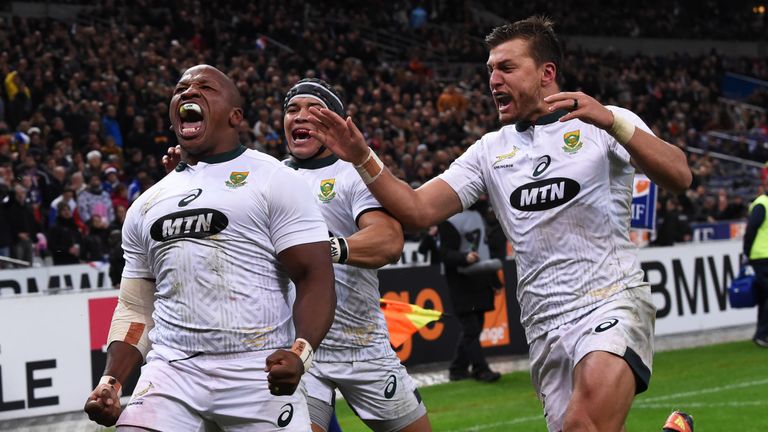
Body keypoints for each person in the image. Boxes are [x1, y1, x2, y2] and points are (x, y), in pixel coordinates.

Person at [306, 16, 693, 432]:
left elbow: (680, 176)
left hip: (611, 299)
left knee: (584, 425)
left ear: (547, 73)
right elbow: (417, 210)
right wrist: (363, 156)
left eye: (507, 67)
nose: (493, 79)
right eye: (490, 69)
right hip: (543, 322)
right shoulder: (490, 151)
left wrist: (614, 122)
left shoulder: (601, 122)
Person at [83, 64, 337, 431]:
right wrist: (112, 382)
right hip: (171, 371)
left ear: (235, 117)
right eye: (181, 88)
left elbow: (315, 275)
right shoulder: (146, 204)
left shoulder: (275, 179)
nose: (188, 92)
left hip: (258, 369)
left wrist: (301, 352)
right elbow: (136, 306)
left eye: (205, 87)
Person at [282, 78, 432, 432]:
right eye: (292, 109)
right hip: (302, 348)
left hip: (363, 347)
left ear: (334, 121)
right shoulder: (271, 177)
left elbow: (389, 241)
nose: (299, 116)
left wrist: (325, 249)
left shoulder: (354, 173)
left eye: (313, 109)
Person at [439, 205, 502, 383]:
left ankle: (457, 368)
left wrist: (494, 280)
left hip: (480, 278)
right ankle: (480, 369)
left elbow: (484, 249)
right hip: (461, 280)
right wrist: (464, 257)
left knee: (475, 328)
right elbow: (444, 253)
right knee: (471, 328)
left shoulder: (477, 215)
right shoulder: (448, 220)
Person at [742, 186, 768, 348]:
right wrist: (747, 252)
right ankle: (762, 333)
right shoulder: (762, 204)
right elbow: (751, 230)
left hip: (761, 256)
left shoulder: (762, 203)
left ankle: (761, 333)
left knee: (764, 296)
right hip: (761, 257)